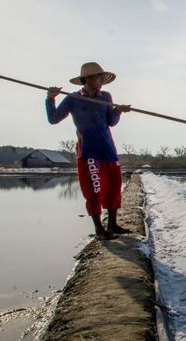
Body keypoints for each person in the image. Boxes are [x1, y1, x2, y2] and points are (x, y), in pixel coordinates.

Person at [46, 62, 132, 240]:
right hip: (88, 151)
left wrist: (118, 111)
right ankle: (99, 229)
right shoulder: (73, 99)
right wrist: (50, 99)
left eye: (102, 77)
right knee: (93, 190)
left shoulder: (106, 97)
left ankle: (112, 225)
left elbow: (110, 122)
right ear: (87, 79)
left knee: (115, 186)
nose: (101, 81)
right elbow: (53, 119)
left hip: (108, 149)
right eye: (98, 77)